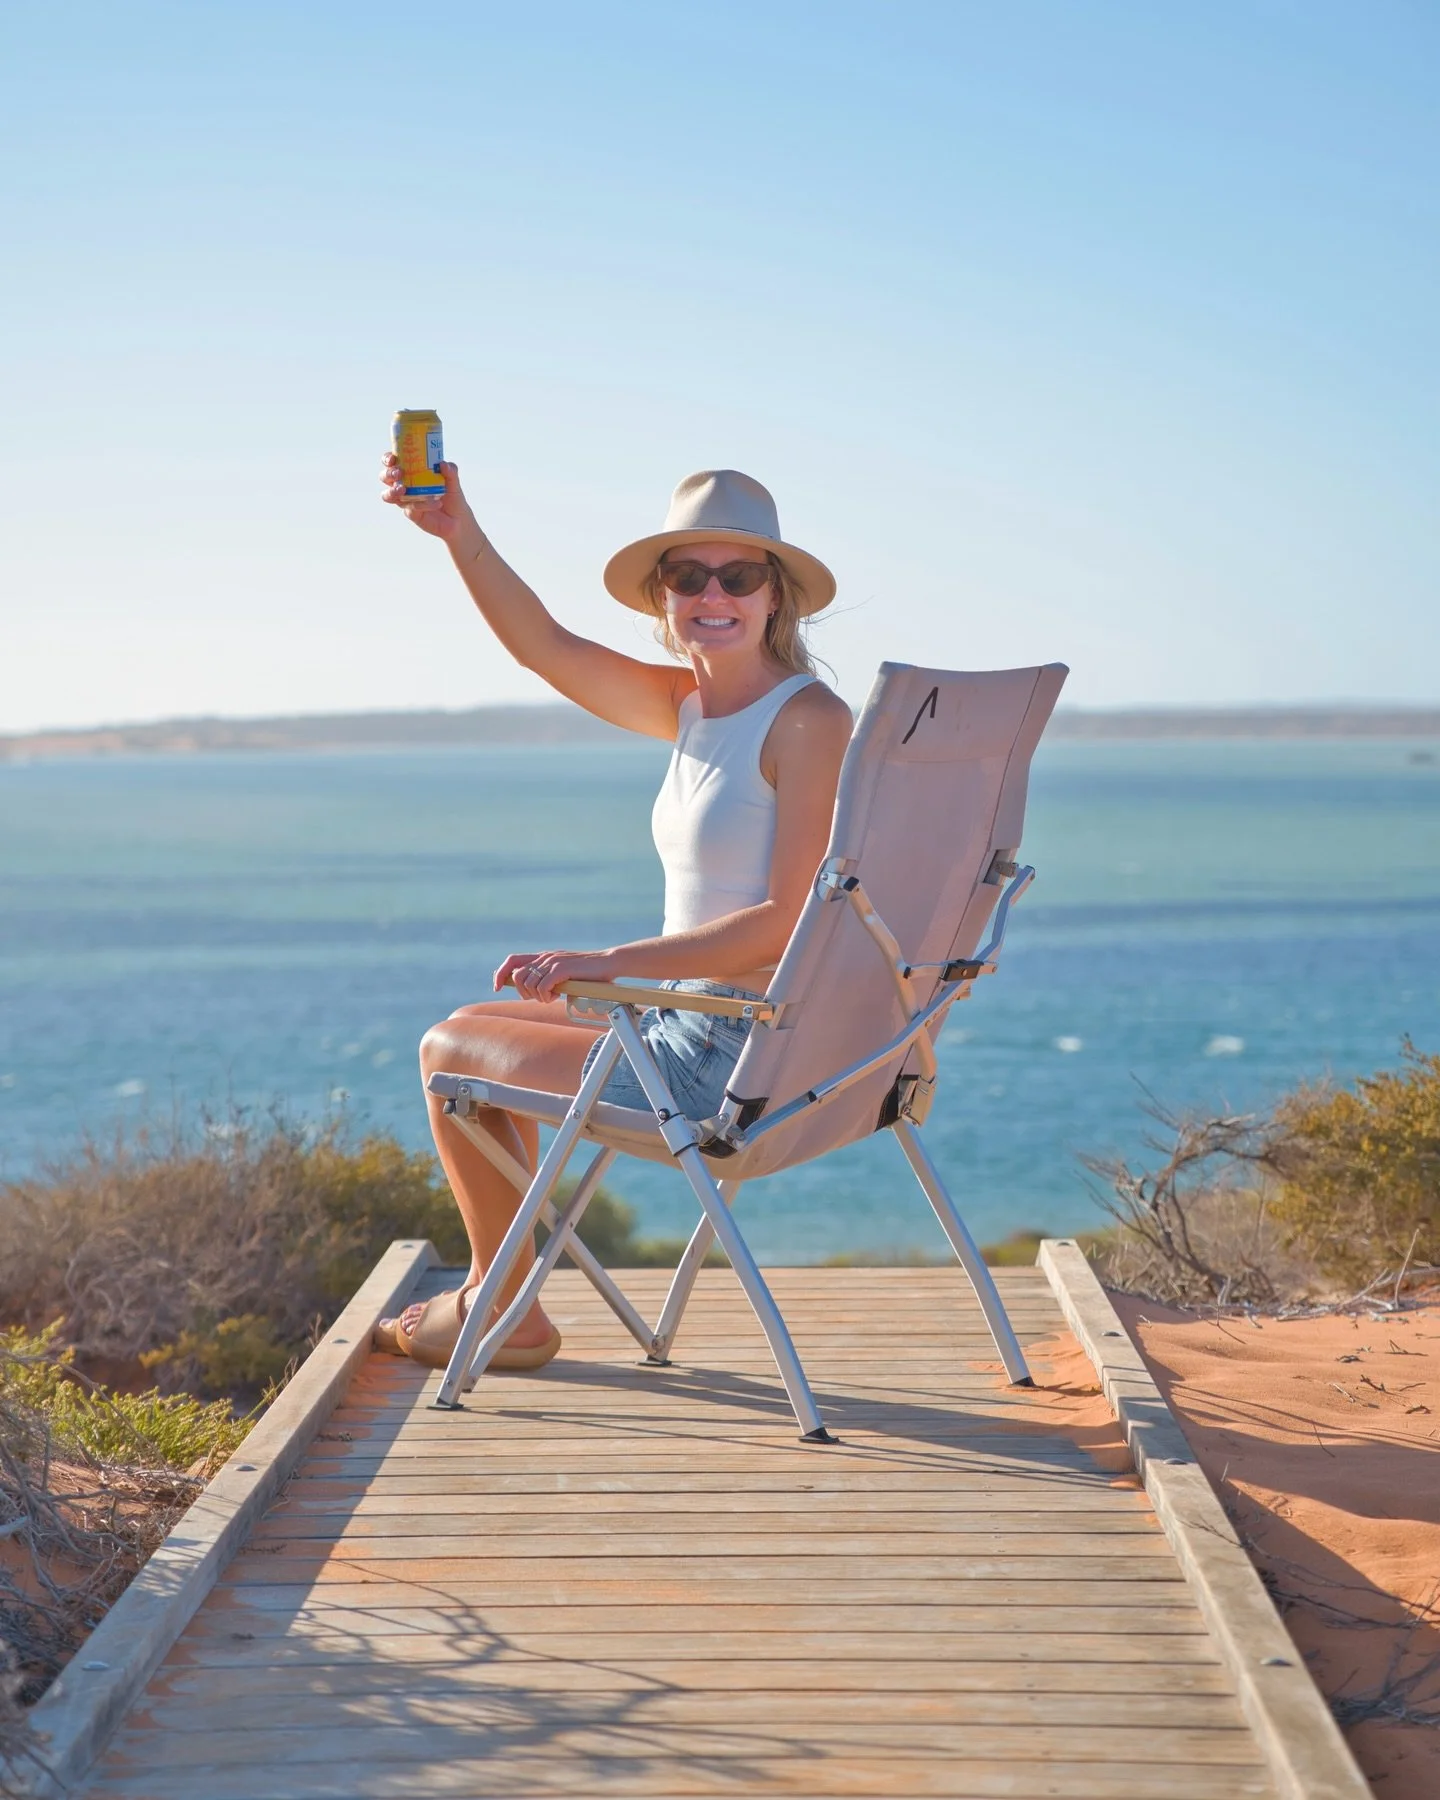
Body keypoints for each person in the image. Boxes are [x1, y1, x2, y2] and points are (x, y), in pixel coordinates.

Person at [373, 461, 852, 1369]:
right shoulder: (694, 707)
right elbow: (543, 648)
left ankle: (496, 1307)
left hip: (730, 1056)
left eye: (739, 576)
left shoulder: (808, 720)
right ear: (663, 597)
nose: (714, 594)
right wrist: (458, 530)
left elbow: (789, 924)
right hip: (689, 1018)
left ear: (775, 595)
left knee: (448, 1059)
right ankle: (500, 1297)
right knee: (464, 1031)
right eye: (688, 576)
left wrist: (605, 962)